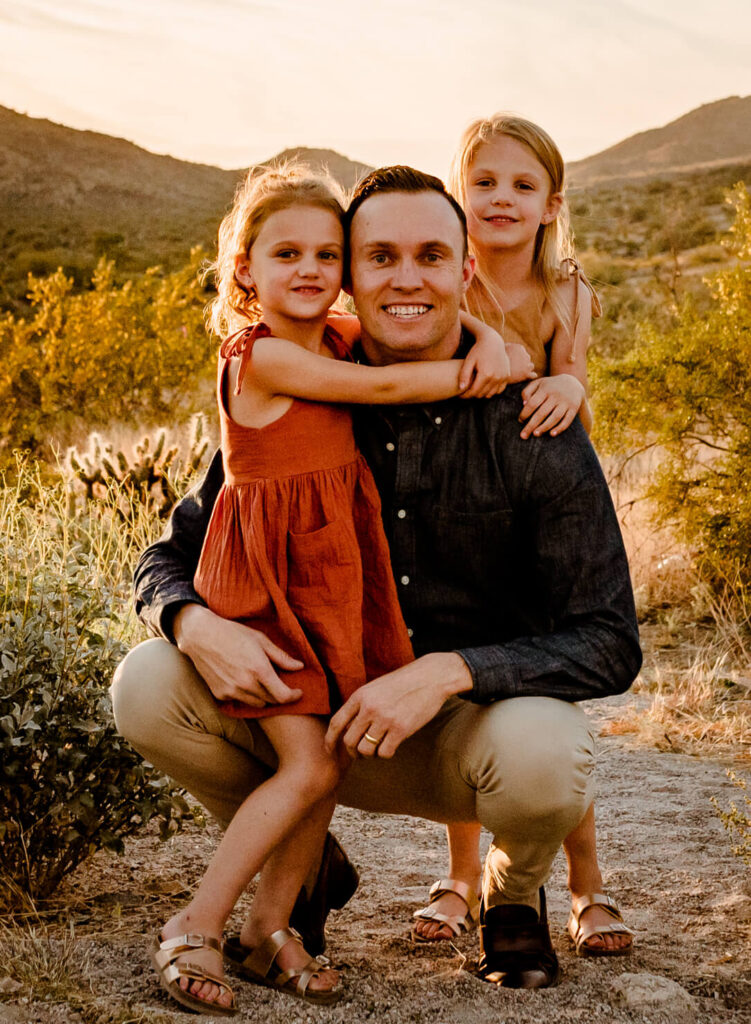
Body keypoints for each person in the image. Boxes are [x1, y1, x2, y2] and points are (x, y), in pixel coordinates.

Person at [111, 165, 642, 998]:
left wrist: (446, 673)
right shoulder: (300, 390)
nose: (405, 279)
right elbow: (169, 555)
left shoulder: (531, 419)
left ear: (465, 269)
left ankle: (510, 895)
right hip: (313, 720)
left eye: (430, 256)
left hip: (462, 741)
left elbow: (609, 641)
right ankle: (297, 868)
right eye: (379, 257)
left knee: (546, 752)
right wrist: (195, 624)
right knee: (147, 682)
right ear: (351, 282)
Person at [409, 115, 634, 958]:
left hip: (538, 523)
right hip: (456, 514)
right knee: (468, 698)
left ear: (551, 204)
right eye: (483, 182)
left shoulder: (565, 290)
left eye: (521, 185)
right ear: (456, 194)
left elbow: (571, 385)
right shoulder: (446, 281)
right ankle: (460, 877)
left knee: (543, 709)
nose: (500, 197)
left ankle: (584, 884)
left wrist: (569, 389)